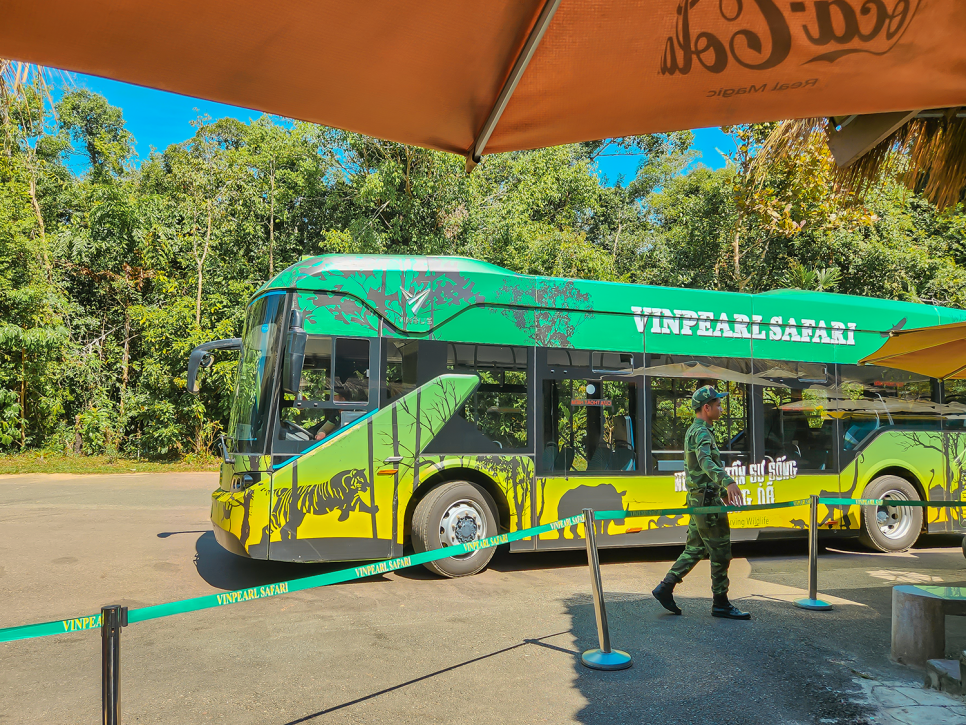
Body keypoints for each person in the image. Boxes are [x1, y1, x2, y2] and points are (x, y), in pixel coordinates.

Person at [651, 385, 751, 620]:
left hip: (700, 498)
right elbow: (706, 463)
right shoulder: (702, 433)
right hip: (707, 502)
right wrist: (727, 482)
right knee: (721, 552)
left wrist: (719, 488)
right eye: (717, 404)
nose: (721, 408)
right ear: (706, 408)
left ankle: (665, 587)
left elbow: (703, 465)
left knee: (695, 548)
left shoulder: (695, 430)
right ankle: (721, 603)